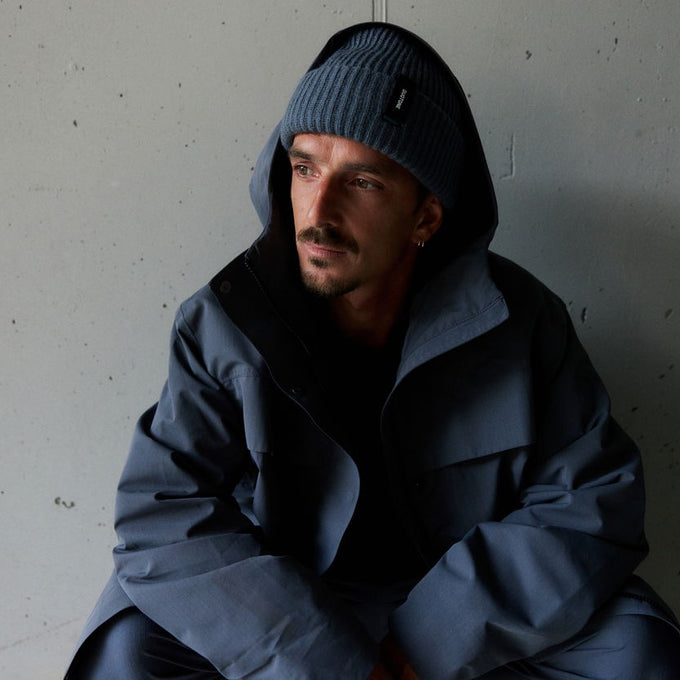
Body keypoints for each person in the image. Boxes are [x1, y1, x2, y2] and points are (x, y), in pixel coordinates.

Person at [65, 22, 680, 680]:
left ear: (426, 218)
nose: (318, 212)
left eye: (362, 182)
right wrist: (323, 659)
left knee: (639, 650)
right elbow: (164, 512)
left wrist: (422, 647)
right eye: (305, 168)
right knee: (124, 652)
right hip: (285, 603)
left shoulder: (523, 322)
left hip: (467, 606)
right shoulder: (223, 322)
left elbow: (591, 499)